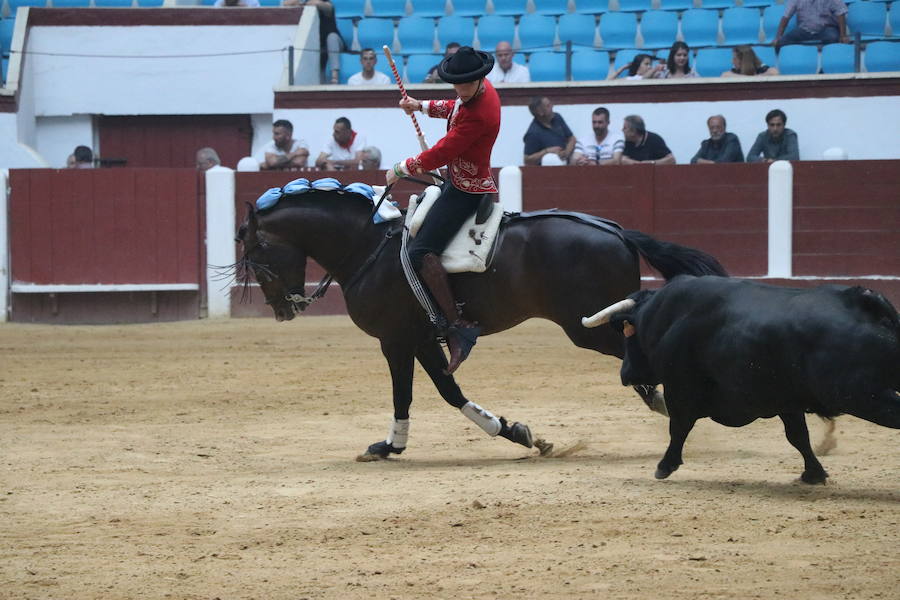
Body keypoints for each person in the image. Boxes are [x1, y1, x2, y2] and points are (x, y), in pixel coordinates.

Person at [385, 46, 500, 374]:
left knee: (421, 251)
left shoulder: (480, 113)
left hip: (465, 190)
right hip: (464, 180)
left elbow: (441, 152)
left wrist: (401, 167)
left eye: (464, 84)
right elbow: (453, 108)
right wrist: (420, 106)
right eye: (456, 83)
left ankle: (458, 325)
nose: (459, 89)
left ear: (478, 79)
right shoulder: (480, 92)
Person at [284, 0, 344, 83]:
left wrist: (304, 3)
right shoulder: (307, 4)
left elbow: (321, 5)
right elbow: (286, 3)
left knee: (332, 38)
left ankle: (335, 76)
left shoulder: (328, 5)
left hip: (336, 44)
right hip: (319, 46)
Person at [523, 96, 576, 166]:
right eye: (548, 106)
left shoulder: (557, 117)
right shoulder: (533, 133)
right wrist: (547, 151)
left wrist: (566, 152)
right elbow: (527, 160)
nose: (552, 106)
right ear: (540, 112)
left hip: (566, 162)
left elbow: (572, 138)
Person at [774, 0, 849, 48]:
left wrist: (843, 35)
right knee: (782, 42)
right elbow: (786, 17)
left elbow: (840, 13)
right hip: (804, 29)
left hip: (827, 28)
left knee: (832, 37)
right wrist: (778, 37)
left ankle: (825, 66)